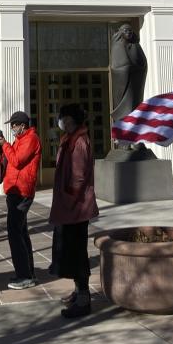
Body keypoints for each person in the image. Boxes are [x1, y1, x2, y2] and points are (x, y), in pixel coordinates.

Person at [48, 103, 98, 319]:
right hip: (70, 207)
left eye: (66, 119)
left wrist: (67, 201)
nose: (63, 123)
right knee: (71, 251)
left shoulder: (78, 142)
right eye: (62, 119)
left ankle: (84, 298)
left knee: (77, 252)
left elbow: (77, 177)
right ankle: (79, 291)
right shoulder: (71, 139)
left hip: (75, 208)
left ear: (74, 121)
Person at [0, 111, 40, 290]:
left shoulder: (31, 139)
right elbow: (11, 159)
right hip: (15, 190)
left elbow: (18, 160)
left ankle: (25, 276)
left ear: (22, 125)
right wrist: (2, 147)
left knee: (15, 233)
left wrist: (5, 144)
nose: (12, 128)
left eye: (13, 125)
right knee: (21, 232)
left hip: (22, 191)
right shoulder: (21, 140)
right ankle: (28, 273)